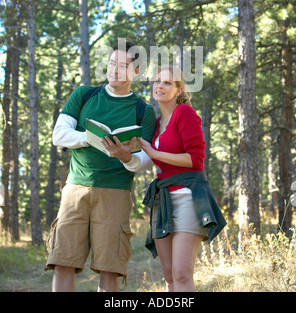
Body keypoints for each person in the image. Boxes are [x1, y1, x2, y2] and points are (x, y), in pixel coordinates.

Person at [45, 41, 156, 292]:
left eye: (123, 66)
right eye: (111, 64)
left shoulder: (143, 111)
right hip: (75, 189)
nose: (115, 70)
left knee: (110, 268)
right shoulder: (84, 94)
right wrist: (90, 138)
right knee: (63, 261)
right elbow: (59, 135)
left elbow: (146, 160)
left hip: (115, 192)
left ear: (135, 72)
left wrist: (125, 156)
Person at [139, 65, 226, 292]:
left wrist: (155, 154)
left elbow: (196, 159)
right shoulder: (157, 123)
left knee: (181, 274)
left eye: (167, 82)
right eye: (157, 81)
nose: (160, 85)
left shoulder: (185, 113)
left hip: (188, 195)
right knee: (169, 276)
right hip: (163, 199)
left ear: (178, 91)